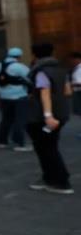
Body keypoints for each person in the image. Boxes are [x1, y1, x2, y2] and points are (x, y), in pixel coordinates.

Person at [26, 42, 73, 194]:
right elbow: (67, 91)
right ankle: (49, 177)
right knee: (50, 146)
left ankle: (61, 181)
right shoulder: (61, 69)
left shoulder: (40, 71)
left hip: (43, 117)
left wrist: (48, 115)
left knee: (46, 149)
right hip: (61, 114)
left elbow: (44, 92)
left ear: (34, 54)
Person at [0, 47, 32, 151]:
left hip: (4, 97)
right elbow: (31, 79)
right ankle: (19, 144)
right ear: (19, 56)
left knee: (6, 120)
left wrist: (1, 92)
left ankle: (2, 142)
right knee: (19, 120)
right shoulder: (20, 67)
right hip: (20, 96)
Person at [70, 51, 81, 138]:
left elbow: (79, 82)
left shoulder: (80, 68)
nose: (71, 61)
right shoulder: (77, 68)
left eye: (73, 59)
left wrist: (71, 84)